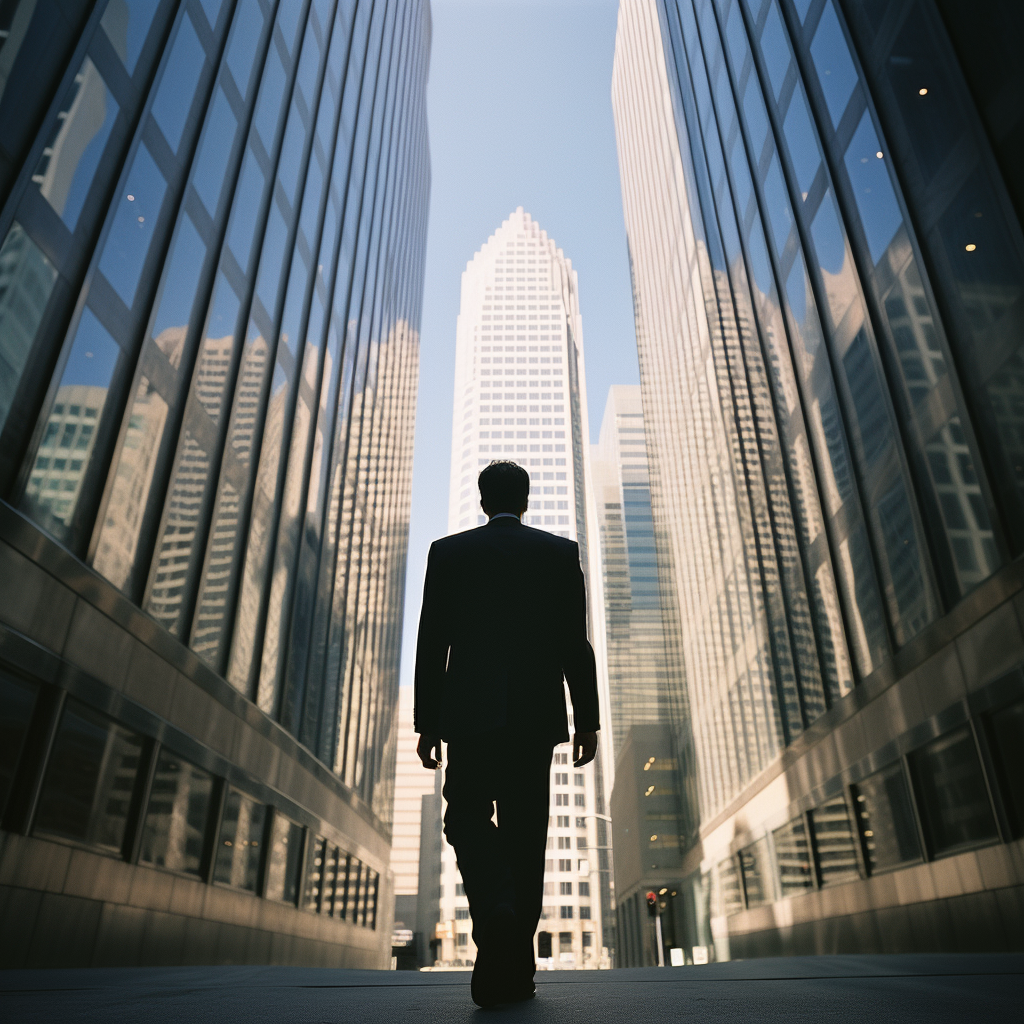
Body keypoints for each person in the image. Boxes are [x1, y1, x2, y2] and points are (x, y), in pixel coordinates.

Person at [414, 460, 600, 1007]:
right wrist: (585, 719)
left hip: (469, 717)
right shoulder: (558, 554)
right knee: (526, 837)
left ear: (480, 500)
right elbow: (575, 644)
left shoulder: (448, 553)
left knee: (465, 815)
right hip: (534, 717)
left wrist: (428, 722)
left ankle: (495, 907)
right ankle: (515, 969)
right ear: (526, 500)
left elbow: (432, 643)